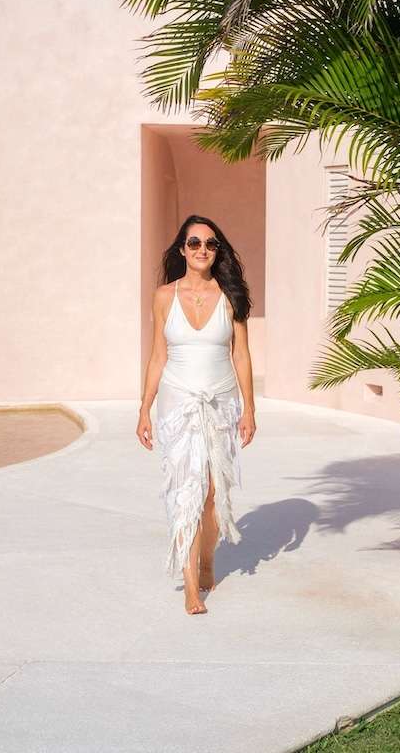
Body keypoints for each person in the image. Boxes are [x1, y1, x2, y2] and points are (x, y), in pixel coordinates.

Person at [136, 215, 256, 615]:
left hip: (221, 403)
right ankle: (190, 586)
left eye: (210, 244)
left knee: (211, 493)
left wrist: (250, 409)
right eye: (194, 243)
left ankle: (207, 561)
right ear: (182, 250)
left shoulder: (231, 295)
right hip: (178, 403)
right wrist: (144, 407)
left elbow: (241, 355)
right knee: (186, 490)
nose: (202, 249)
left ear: (217, 251)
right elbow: (158, 355)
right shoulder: (163, 297)